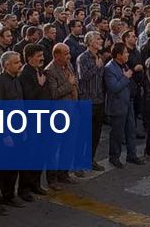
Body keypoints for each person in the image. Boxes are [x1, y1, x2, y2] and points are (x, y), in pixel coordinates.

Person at [0, 51, 27, 213]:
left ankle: (9, 195)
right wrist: (5, 135)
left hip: (18, 129)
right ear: (6, 65)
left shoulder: (16, 80)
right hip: (4, 134)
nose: (20, 64)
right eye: (16, 62)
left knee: (14, 165)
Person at [17, 44, 49, 200]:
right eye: (38, 56)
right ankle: (24, 189)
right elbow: (28, 97)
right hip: (31, 121)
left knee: (40, 153)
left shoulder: (40, 71)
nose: (42, 58)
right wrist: (40, 85)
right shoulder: (24, 74)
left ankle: (36, 184)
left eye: (42, 55)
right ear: (29, 58)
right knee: (29, 156)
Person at [45, 43, 79, 189]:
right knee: (53, 148)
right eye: (65, 54)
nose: (68, 56)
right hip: (58, 115)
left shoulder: (68, 65)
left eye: (69, 53)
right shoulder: (50, 71)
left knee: (68, 145)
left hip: (72, 110)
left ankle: (63, 173)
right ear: (56, 55)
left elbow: (74, 82)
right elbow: (53, 93)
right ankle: (52, 179)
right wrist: (69, 84)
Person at [104, 42, 144, 168]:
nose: (127, 54)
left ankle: (132, 155)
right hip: (117, 104)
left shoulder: (124, 65)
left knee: (131, 131)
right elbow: (114, 87)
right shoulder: (109, 68)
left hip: (129, 102)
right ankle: (114, 157)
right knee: (117, 133)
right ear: (118, 55)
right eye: (125, 52)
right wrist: (126, 77)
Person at [76, 31, 106, 171]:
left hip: (99, 100)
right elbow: (83, 77)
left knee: (95, 135)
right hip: (87, 101)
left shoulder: (98, 56)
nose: (100, 41)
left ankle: (90, 159)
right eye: (98, 39)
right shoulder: (83, 58)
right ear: (90, 42)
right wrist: (97, 67)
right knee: (83, 135)